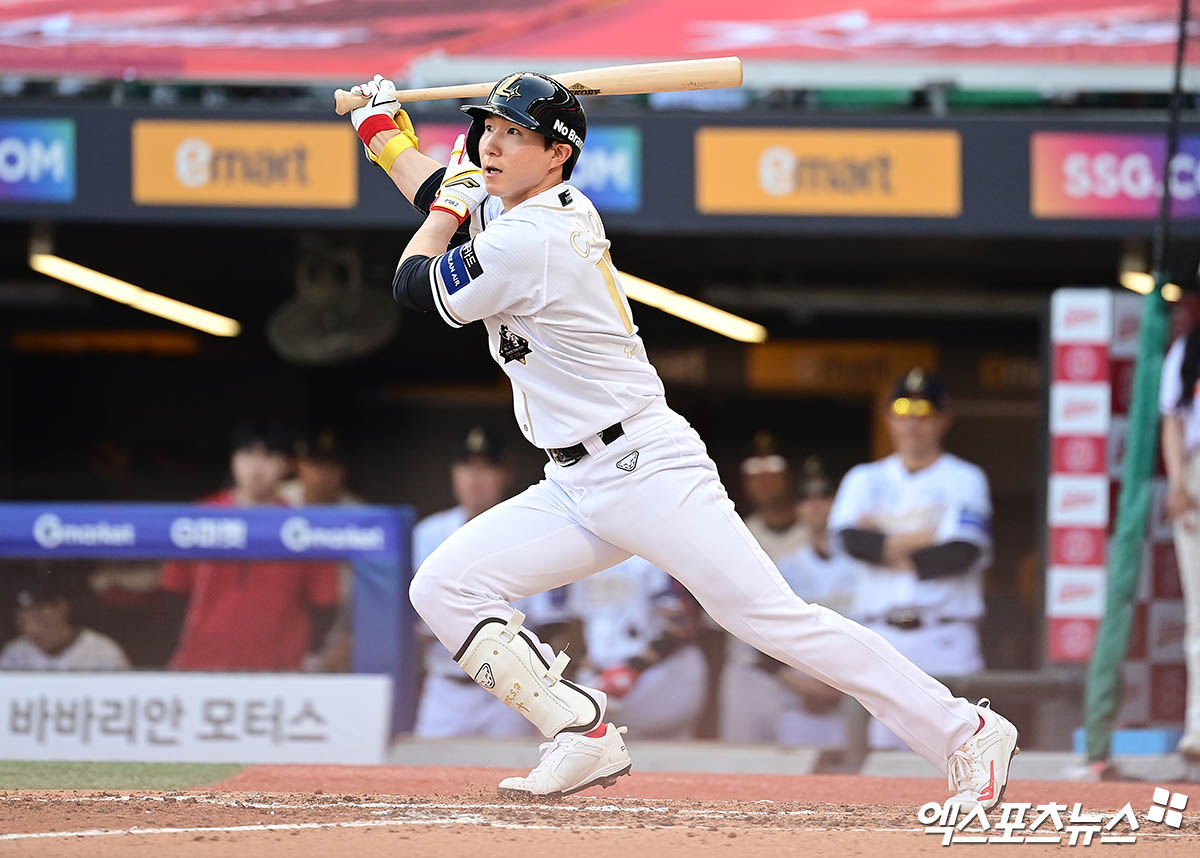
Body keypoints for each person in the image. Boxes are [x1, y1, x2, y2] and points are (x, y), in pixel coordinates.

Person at [348, 72, 1017, 804]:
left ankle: (966, 732)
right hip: (573, 482)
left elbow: (415, 280)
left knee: (770, 618)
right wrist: (382, 134)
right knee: (444, 585)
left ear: (558, 155)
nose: (491, 145)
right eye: (489, 129)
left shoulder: (534, 236)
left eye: (515, 134)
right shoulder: (518, 209)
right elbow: (439, 190)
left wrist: (449, 201)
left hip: (646, 469)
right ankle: (579, 732)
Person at [829, 369, 993, 750]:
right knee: (880, 759)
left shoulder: (965, 478)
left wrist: (883, 542)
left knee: (960, 752)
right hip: (881, 637)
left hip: (945, 636)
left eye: (925, 412)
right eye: (903, 411)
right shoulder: (864, 478)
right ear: (889, 419)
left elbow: (959, 554)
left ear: (944, 420)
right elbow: (852, 542)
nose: (913, 423)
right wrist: (926, 536)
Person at [412, 426, 574, 738]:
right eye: (466, 466)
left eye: (486, 467)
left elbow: (554, 625)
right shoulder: (427, 534)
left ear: (505, 474)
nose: (474, 478)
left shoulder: (531, 531)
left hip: (510, 690)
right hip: (445, 687)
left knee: (512, 767)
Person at [160, 422, 341, 671]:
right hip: (200, 665)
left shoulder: (303, 527)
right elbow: (173, 593)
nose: (256, 467)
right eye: (247, 454)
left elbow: (325, 606)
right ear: (233, 459)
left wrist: (300, 654)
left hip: (279, 673)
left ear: (287, 464)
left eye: (268, 456)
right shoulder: (198, 517)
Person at [762, 458, 866, 748]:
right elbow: (762, 634)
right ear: (798, 508)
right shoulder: (783, 567)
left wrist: (842, 685)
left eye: (824, 498)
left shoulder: (863, 565)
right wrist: (798, 683)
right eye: (807, 500)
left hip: (857, 692)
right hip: (799, 695)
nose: (816, 506)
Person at [720, 436, 811, 743]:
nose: (763, 484)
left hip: (810, 669)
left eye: (772, 474)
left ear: (788, 477)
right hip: (751, 671)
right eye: (754, 477)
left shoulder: (815, 533)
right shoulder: (734, 533)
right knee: (741, 762)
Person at [573, 555, 707, 739]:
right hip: (602, 674)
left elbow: (681, 625)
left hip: (659, 671)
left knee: (662, 749)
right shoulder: (583, 558)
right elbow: (577, 621)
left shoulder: (657, 555)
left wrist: (631, 670)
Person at [1160, 321, 1200, 762]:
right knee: (1199, 613)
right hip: (1196, 470)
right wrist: (1177, 482)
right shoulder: (1190, 346)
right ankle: (1198, 729)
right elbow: (1173, 418)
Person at [0, 571, 129, 671]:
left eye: (40, 618)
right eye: (22, 621)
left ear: (61, 607)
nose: (32, 629)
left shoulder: (103, 652)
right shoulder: (15, 653)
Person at [280, 428, 363, 507]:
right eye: (316, 464)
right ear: (298, 465)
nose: (324, 473)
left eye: (332, 465)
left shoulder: (356, 509)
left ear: (344, 470)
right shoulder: (278, 500)